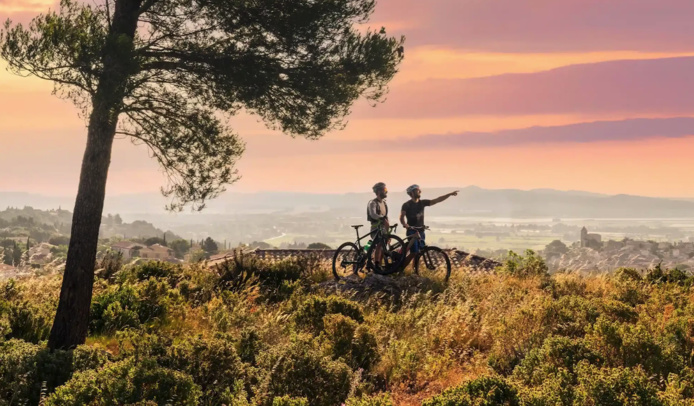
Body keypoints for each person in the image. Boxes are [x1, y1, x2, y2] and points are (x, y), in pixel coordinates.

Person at [400, 185, 458, 268]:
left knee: (419, 253)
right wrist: (405, 224)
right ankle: (401, 268)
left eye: (419, 190)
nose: (419, 192)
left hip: (421, 231)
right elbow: (402, 216)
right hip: (412, 231)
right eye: (417, 190)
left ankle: (414, 272)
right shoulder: (406, 205)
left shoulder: (422, 203)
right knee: (414, 252)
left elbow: (437, 200)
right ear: (411, 193)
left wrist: (449, 194)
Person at [367, 182, 389, 270]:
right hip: (375, 228)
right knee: (379, 243)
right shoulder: (373, 203)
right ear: (379, 191)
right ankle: (376, 264)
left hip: (383, 228)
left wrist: (388, 231)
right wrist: (382, 219)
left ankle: (379, 264)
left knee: (384, 245)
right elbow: (373, 214)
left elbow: (386, 217)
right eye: (385, 190)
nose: (386, 192)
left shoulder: (384, 203)